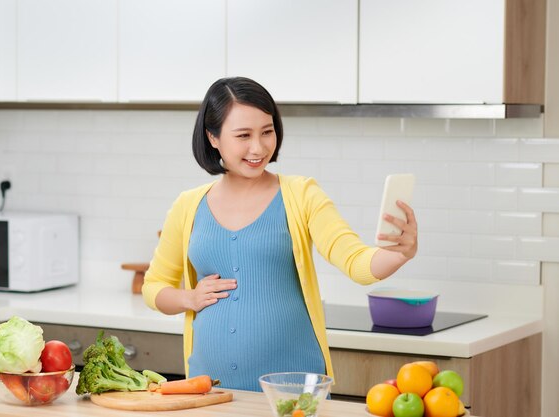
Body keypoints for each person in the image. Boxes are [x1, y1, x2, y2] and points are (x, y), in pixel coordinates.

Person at [142, 76, 418, 392]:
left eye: (267, 132)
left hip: (292, 391)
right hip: (208, 388)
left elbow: (356, 262)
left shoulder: (302, 194)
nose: (258, 147)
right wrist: (188, 298)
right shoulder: (188, 205)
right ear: (213, 137)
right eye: (243, 135)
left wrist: (398, 253)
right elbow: (155, 286)